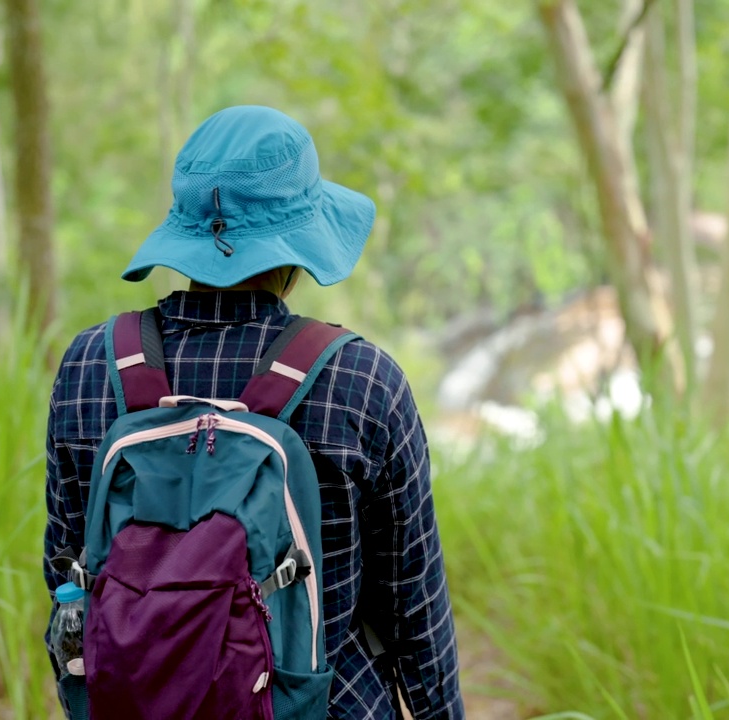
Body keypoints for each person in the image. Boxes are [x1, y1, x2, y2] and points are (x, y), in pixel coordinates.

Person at [42, 105, 465, 719]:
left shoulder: (89, 367)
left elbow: (68, 577)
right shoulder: (362, 380)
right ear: (296, 253)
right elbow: (416, 617)